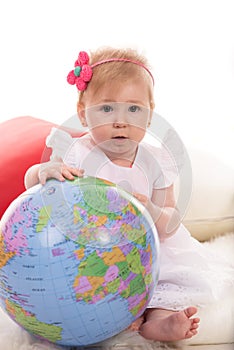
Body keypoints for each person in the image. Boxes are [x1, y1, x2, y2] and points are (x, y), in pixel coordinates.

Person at [24, 47, 233, 342]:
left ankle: (160, 322)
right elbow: (33, 192)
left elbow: (171, 219)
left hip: (149, 252)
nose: (121, 121)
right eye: (107, 109)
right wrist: (41, 172)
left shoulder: (157, 162)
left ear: (149, 116)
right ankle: (121, 316)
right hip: (94, 254)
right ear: (83, 114)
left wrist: (152, 209)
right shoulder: (77, 153)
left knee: (165, 287)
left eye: (133, 109)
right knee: (88, 287)